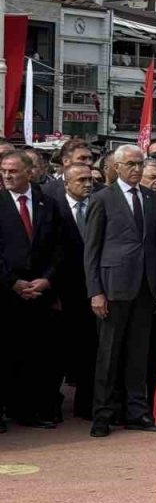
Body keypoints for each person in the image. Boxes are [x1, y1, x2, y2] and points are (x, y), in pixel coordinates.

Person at [84, 145, 156, 437]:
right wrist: (95, 291)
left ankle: (137, 412)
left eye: (140, 163)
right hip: (113, 287)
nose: (136, 168)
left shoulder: (151, 199)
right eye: (130, 163)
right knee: (108, 355)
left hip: (145, 287)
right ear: (116, 167)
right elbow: (91, 249)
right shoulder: (102, 198)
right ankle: (102, 415)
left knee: (138, 354)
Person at [0, 150, 61, 430]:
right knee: (5, 353)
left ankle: (29, 410)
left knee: (35, 354)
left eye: (13, 171)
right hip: (6, 292)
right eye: (4, 171)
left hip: (39, 291)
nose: (7, 176)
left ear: (29, 172)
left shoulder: (47, 204)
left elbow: (58, 247)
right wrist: (12, 282)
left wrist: (47, 280)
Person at [52, 163, 97, 420]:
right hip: (64, 290)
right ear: (66, 183)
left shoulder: (99, 204)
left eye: (90, 179)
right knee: (60, 350)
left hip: (94, 290)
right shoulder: (54, 207)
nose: (87, 184)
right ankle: (52, 401)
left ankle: (86, 403)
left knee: (90, 348)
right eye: (81, 180)